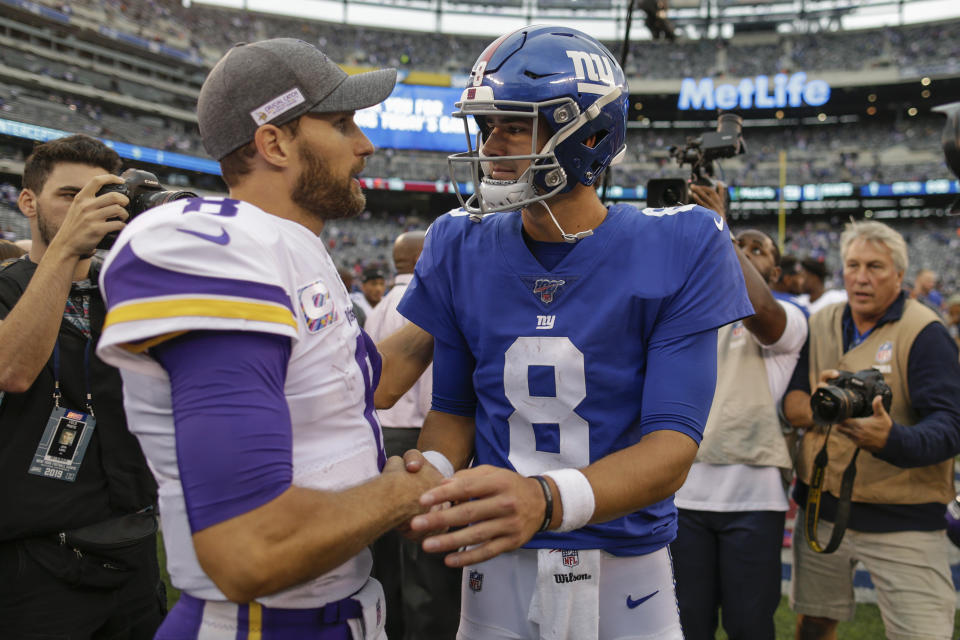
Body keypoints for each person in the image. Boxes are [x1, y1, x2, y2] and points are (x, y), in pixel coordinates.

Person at [398, 25, 754, 639]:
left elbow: (671, 449)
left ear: (589, 133)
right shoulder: (458, 242)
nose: (491, 145)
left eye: (513, 125)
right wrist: (428, 477)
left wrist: (543, 499)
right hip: (494, 564)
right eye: (486, 127)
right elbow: (454, 411)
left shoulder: (682, 241)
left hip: (623, 567)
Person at [95, 38, 442, 639]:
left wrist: (453, 303)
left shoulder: (292, 246)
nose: (365, 144)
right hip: (261, 622)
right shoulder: (216, 248)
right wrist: (398, 493)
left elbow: (360, 386)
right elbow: (250, 545)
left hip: (336, 609)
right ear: (274, 142)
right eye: (340, 123)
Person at [0, 134, 164, 638]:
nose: (86, 210)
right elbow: (13, 369)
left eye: (100, 198)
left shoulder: (130, 289)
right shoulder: (5, 287)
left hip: (134, 548)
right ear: (28, 202)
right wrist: (67, 246)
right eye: (70, 196)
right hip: (36, 561)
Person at [783, 220, 960, 640]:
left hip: (905, 518)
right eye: (853, 265)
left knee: (923, 632)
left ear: (900, 275)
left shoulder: (926, 332)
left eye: (876, 267)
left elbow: (951, 425)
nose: (862, 277)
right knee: (813, 624)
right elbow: (792, 404)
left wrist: (892, 440)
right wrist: (827, 407)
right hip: (821, 508)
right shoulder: (822, 319)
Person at [673, 186, 808, 640]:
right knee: (686, 624)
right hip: (683, 495)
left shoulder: (786, 317)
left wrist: (721, 231)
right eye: (740, 244)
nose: (745, 251)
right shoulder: (688, 313)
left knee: (749, 626)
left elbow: (760, 312)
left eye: (758, 249)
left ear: (774, 268)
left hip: (754, 500)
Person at [366, 230, 462, 640]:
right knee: (426, 563)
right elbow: (436, 393)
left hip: (378, 439)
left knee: (385, 561)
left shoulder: (377, 307)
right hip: (419, 439)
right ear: (423, 256)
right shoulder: (422, 304)